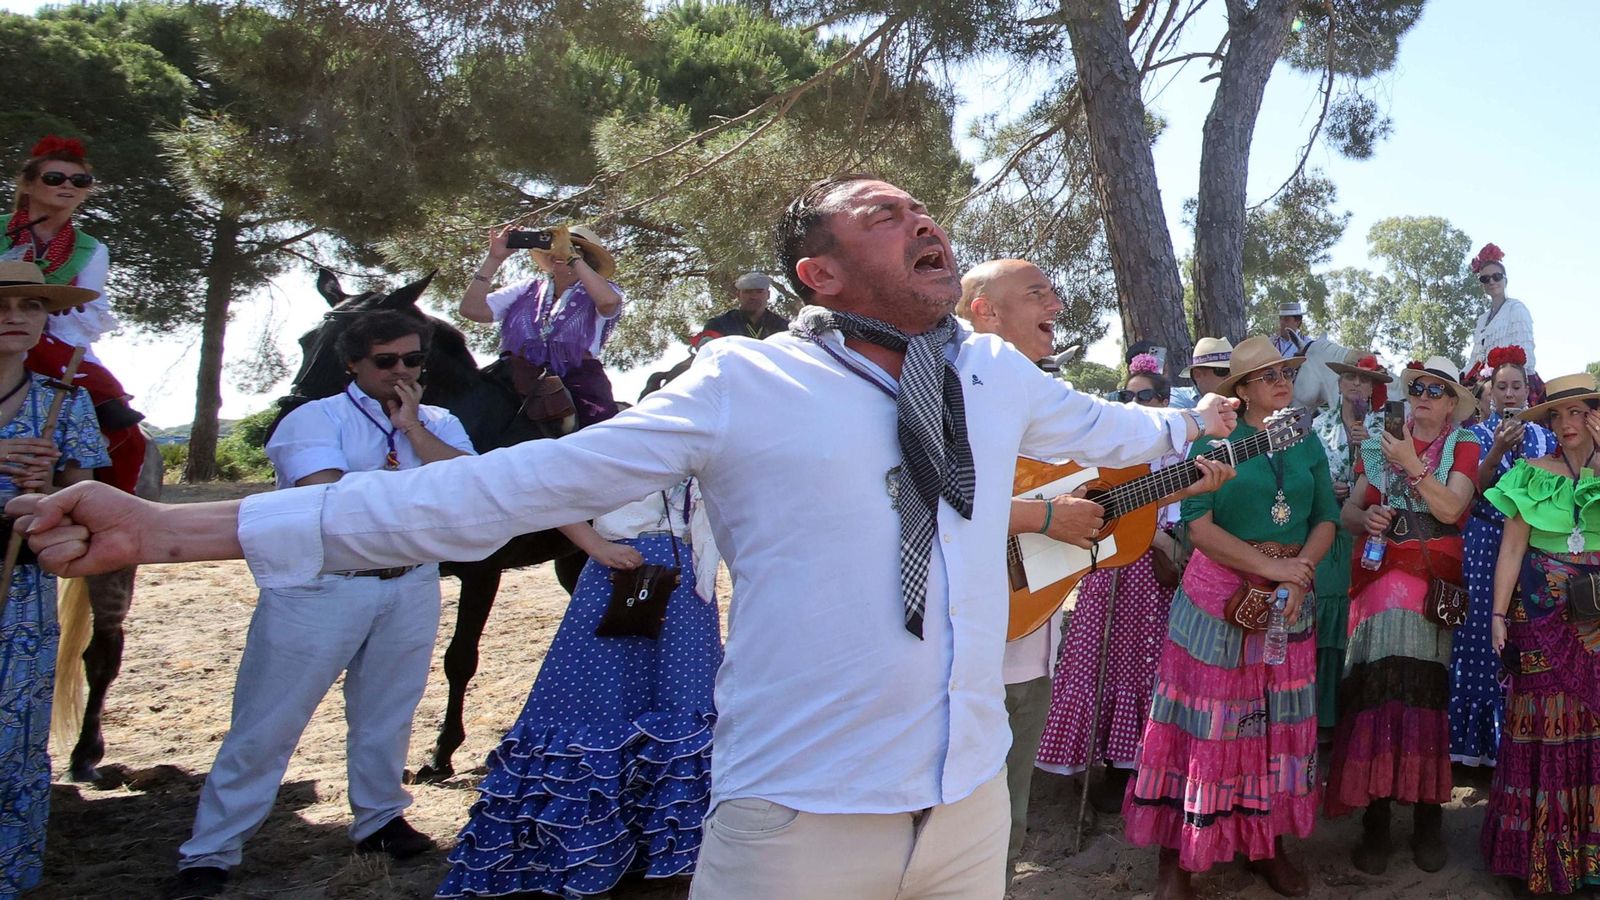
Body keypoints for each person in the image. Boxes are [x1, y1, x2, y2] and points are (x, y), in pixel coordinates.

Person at [13, 175, 1240, 900]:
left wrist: (1202, 418)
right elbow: (496, 491)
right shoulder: (744, 386)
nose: (923, 220)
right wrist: (172, 530)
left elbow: (1121, 430)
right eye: (883, 214)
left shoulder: (990, 372)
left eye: (924, 209)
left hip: (970, 814)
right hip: (799, 827)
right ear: (817, 274)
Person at [169, 311, 475, 899]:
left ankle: (380, 819)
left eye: (413, 360)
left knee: (390, 710)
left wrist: (413, 431)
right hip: (322, 586)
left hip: (411, 582)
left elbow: (470, 485)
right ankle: (211, 849)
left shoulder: (438, 422)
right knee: (269, 720)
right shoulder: (313, 419)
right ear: (353, 364)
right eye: (386, 360)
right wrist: (423, 494)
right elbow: (333, 500)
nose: (402, 371)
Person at [956, 259, 1233, 870]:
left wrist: (1180, 476)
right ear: (985, 311)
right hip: (956, 651)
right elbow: (929, 500)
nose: (1055, 304)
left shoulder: (1035, 396)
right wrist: (1042, 518)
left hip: (1028, 638)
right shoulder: (939, 386)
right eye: (1037, 293)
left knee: (1004, 819)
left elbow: (1105, 452)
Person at [437, 478, 722, 897]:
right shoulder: (618, 445)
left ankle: (661, 849)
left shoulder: (710, 448)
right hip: (622, 575)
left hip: (690, 585)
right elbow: (548, 487)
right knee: (594, 711)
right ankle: (578, 848)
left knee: (681, 712)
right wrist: (596, 546)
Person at [1123, 336, 1334, 900]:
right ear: (1241, 389)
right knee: (1205, 724)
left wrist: (1297, 573)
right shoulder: (1215, 442)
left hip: (1288, 600)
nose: (1282, 382)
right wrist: (1274, 568)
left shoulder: (1305, 438)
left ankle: (1266, 845)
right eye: (1268, 376)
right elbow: (1198, 526)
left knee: (1275, 722)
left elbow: (1325, 516)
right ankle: (1178, 857)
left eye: (1286, 372)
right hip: (1217, 603)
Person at [1325, 356, 1480, 875]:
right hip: (1376, 580)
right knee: (1376, 691)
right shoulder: (1377, 443)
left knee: (1424, 693)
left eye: (1436, 391)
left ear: (1452, 402)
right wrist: (1365, 515)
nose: (1424, 398)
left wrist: (1412, 464)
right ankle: (1375, 821)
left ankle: (1428, 820)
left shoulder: (1463, 444)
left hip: (1431, 584)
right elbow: (1347, 512)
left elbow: (1452, 509)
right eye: (1417, 388)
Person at [1035, 355, 1200, 811]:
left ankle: (1142, 763)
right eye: (1126, 395)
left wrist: (1166, 540)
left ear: (1164, 401)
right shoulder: (1115, 446)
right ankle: (1105, 761)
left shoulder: (1185, 453)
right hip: (1112, 565)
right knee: (1101, 660)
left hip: (1161, 573)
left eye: (1143, 395)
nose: (1133, 402)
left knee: (1148, 663)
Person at [0, 261, 110, 897]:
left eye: (31, 305)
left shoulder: (63, 401)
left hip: (19, 593)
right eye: (1, 305)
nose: (15, 317)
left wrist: (54, 493)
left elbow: (85, 500)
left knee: (13, 737)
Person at [1480, 373, 1600, 895]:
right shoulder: (1530, 472)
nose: (1566, 423)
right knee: (1538, 725)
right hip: (1538, 615)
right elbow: (1512, 548)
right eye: (1557, 414)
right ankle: (1535, 859)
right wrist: (1497, 614)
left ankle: (1589, 861)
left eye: (1577, 412)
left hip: (1598, 618)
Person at [4, 136, 148, 493]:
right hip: (10, 327)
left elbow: (85, 312)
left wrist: (43, 321)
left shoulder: (92, 249)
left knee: (116, 414)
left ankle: (108, 503)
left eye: (79, 181)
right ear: (28, 185)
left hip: (57, 334)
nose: (67, 186)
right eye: (54, 178)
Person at [1454, 346, 1554, 769]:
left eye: (1516, 386)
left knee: (1521, 628)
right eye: (1502, 387)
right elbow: (1476, 487)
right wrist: (1496, 450)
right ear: (1490, 392)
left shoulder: (1544, 437)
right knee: (1480, 629)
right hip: (1484, 539)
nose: (1510, 394)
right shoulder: (1474, 435)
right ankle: (1474, 746)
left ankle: (1517, 739)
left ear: (1528, 391)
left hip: (1529, 544)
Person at [459, 224, 624, 428]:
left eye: (572, 247)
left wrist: (572, 258)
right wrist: (494, 259)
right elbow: (471, 309)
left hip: (577, 376)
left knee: (596, 428)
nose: (559, 252)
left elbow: (608, 303)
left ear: (586, 259)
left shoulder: (606, 290)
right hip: (516, 374)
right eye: (555, 247)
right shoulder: (527, 287)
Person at [1310, 350, 1391, 738]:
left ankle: (1354, 721)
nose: (1356, 385)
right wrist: (1326, 487)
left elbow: (1393, 478)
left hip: (1367, 532)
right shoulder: (1318, 424)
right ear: (1339, 384)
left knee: (1358, 618)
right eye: (1350, 378)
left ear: (1373, 388)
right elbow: (1306, 474)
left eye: (1364, 380)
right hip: (1326, 529)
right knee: (1325, 616)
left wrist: (1368, 449)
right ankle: (1322, 716)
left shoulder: (1385, 427)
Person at [1464, 243, 1540, 402]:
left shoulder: (1517, 309)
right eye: (1485, 279)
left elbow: (1525, 359)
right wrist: (1459, 378)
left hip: (1513, 383)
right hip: (1485, 382)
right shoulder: (1482, 320)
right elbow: (1475, 360)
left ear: (1505, 280)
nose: (1491, 281)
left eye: (1496, 276)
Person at [702, 272, 789, 340]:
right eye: (748, 292)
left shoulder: (783, 327)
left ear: (768, 295)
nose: (754, 297)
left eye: (759, 291)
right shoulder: (719, 325)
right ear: (738, 295)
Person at [1171, 337, 1233, 410]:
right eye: (1222, 370)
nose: (1230, 376)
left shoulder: (1241, 398)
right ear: (1197, 374)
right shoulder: (1176, 398)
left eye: (1234, 370)